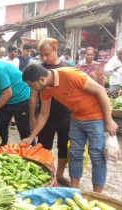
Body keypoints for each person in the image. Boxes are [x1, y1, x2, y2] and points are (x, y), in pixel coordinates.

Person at [22, 63, 118, 193]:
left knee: (97, 155)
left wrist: (109, 119)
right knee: (74, 153)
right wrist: (31, 137)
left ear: (42, 79)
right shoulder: (45, 88)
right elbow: (44, 114)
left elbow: (100, 90)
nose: (33, 89)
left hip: (96, 117)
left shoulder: (70, 75)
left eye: (33, 86)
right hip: (77, 117)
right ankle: (74, 190)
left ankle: (97, 194)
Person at [30, 38, 72, 186]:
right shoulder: (39, 69)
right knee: (43, 145)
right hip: (45, 114)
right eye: (42, 55)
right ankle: (46, 172)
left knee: (64, 146)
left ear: (56, 49)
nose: (45, 58)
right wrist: (32, 117)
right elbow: (33, 95)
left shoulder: (67, 67)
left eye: (47, 54)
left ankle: (59, 174)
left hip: (66, 114)